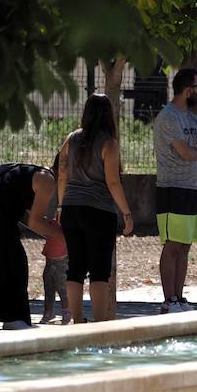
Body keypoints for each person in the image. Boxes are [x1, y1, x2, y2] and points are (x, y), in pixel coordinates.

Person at [56, 93, 134, 324]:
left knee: (75, 267)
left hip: (70, 208)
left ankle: (78, 320)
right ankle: (100, 323)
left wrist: (61, 205)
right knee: (99, 270)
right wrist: (127, 213)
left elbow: (61, 174)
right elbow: (112, 182)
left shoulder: (71, 139)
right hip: (99, 211)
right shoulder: (109, 143)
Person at [0, 163, 63, 329]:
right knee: (15, 263)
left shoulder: (33, 172)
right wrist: (67, 237)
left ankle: (10, 317)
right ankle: (14, 318)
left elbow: (25, 217)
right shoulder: (47, 180)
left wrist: (52, 233)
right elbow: (35, 222)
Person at [152, 68, 197, 313]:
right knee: (173, 245)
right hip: (172, 189)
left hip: (192, 189)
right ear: (187, 90)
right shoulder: (169, 117)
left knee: (186, 245)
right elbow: (187, 153)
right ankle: (169, 301)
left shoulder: (191, 118)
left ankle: (179, 297)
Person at [40, 218, 70, 325]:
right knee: (49, 289)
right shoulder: (51, 224)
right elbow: (40, 227)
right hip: (49, 263)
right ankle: (48, 312)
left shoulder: (69, 226)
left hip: (62, 263)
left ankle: (66, 311)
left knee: (63, 290)